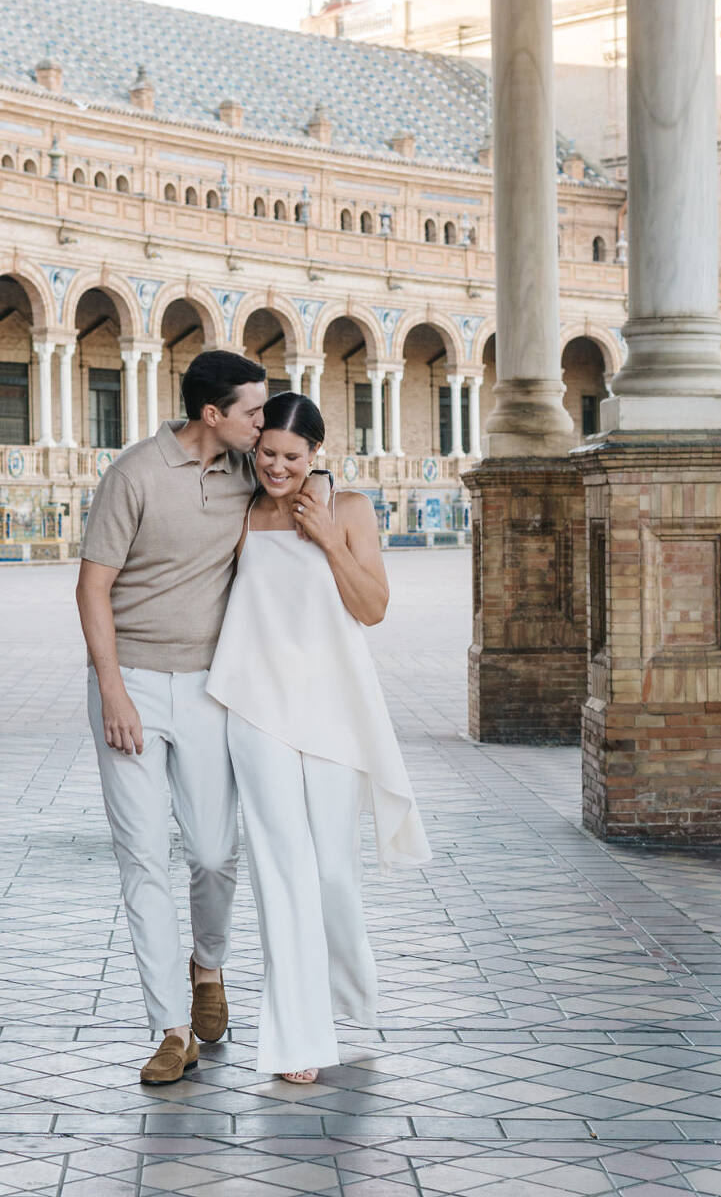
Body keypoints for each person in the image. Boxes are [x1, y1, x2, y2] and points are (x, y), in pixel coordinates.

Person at [207, 391, 430, 1083]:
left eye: (292, 457)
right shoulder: (241, 512)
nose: (277, 467)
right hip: (255, 707)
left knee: (333, 870)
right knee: (282, 871)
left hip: (330, 708)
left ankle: (348, 1003)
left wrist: (330, 536)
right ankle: (297, 1040)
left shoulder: (351, 509)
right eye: (267, 452)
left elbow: (373, 608)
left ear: (317, 455)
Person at [75, 349, 267, 1085]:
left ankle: (207, 966)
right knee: (144, 856)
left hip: (212, 689)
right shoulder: (135, 474)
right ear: (211, 414)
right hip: (132, 689)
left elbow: (304, 473)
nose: (262, 419)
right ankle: (170, 1028)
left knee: (217, 851)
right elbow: (94, 589)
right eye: (252, 409)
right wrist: (113, 691)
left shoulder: (250, 472)